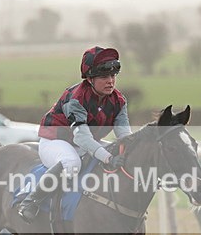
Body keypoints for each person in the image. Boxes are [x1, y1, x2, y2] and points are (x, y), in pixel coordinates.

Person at [17, 46, 132, 222]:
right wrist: (108, 158)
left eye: (113, 76)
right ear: (90, 79)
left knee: (114, 151)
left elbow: (124, 135)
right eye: (104, 77)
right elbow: (82, 137)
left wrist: (129, 150)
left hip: (85, 142)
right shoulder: (76, 98)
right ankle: (31, 201)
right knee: (72, 163)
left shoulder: (119, 101)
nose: (110, 81)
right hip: (55, 141)